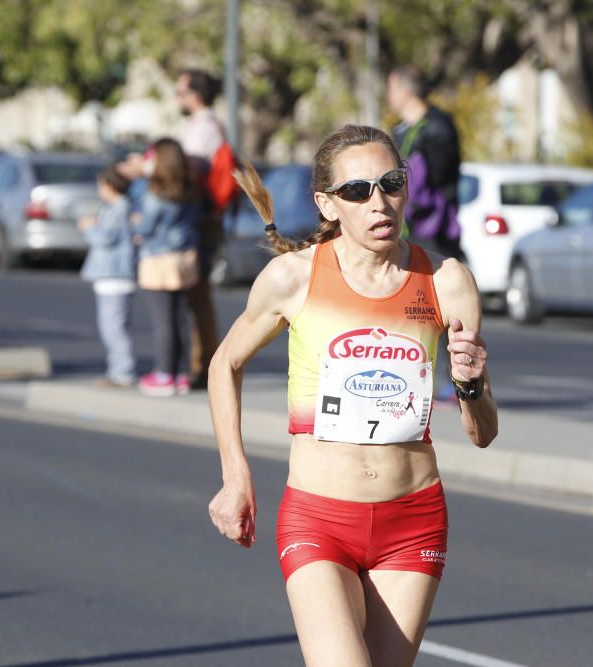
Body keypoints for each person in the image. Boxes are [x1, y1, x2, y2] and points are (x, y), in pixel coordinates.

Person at [207, 124, 497, 666]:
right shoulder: (292, 279)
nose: (379, 202)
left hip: (413, 519)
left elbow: (482, 433)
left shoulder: (447, 280)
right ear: (327, 203)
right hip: (319, 519)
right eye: (358, 191)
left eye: (391, 183)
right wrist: (235, 475)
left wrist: (471, 383)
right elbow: (225, 362)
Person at [134, 138, 204, 397]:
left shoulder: (155, 193)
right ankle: (181, 374)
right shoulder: (190, 189)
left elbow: (145, 228)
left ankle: (164, 374)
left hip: (158, 259)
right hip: (185, 258)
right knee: (181, 319)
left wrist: (136, 224)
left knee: (163, 320)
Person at [175, 68, 229, 390]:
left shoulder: (204, 127)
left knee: (198, 294)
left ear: (195, 95)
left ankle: (205, 363)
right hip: (201, 219)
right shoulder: (201, 125)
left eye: (180, 92)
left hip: (201, 220)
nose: (176, 99)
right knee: (195, 294)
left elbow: (189, 170)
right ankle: (203, 361)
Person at [387, 65, 463, 261]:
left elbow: (440, 178)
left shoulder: (438, 127)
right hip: (406, 229)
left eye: (391, 89)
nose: (388, 96)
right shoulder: (400, 130)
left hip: (435, 231)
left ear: (405, 92)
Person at [79, 167, 137, 389]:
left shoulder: (120, 208)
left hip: (115, 275)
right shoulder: (113, 208)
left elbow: (105, 238)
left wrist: (89, 228)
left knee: (114, 327)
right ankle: (118, 369)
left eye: (101, 185)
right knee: (112, 326)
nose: (99, 190)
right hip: (110, 275)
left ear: (111, 185)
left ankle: (123, 372)